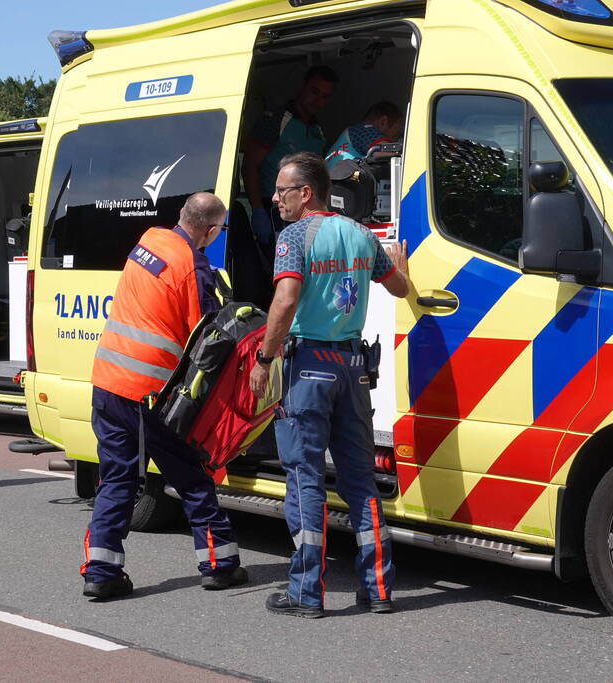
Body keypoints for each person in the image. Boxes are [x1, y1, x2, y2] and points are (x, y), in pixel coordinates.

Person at [249, 152, 409, 618]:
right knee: (361, 481)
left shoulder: (295, 235)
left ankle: (306, 593)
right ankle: (378, 590)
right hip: (353, 368)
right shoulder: (361, 234)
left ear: (306, 193)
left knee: (305, 478)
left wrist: (264, 357)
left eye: (282, 190)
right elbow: (398, 288)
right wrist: (399, 263)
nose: (275, 198)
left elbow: (285, 299)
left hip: (309, 367)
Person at [80, 192, 248, 600]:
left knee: (117, 477)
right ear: (210, 231)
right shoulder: (195, 266)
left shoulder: (150, 240)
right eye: (219, 230)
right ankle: (219, 564)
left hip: (107, 381)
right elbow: (209, 336)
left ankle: (101, 571)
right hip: (149, 394)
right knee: (191, 473)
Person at [243, 65, 338, 248]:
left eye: (324, 96)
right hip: (275, 211)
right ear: (303, 86)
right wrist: (257, 210)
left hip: (307, 213)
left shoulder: (317, 129)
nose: (317, 100)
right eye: (314, 91)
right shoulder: (275, 119)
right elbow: (249, 165)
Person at [325, 101, 404, 170]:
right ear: (383, 122)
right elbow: (384, 152)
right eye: (396, 135)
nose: (395, 141)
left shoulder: (353, 133)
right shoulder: (365, 130)